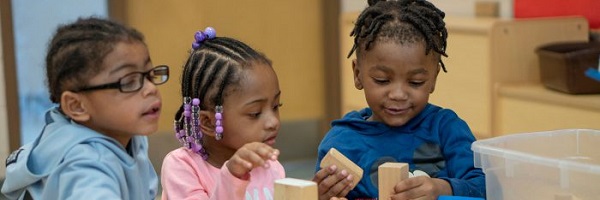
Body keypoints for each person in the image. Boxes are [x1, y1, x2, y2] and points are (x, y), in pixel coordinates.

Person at [315, 0, 486, 199]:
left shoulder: (446, 129)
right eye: (382, 80)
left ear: (433, 79)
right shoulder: (341, 145)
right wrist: (318, 195)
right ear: (357, 74)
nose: (398, 94)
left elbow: (486, 186)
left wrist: (442, 188)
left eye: (415, 82)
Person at [160, 27, 354, 200]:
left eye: (276, 106)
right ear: (209, 122)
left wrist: (310, 196)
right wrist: (233, 175)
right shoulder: (182, 167)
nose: (273, 122)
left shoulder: (270, 166)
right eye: (255, 113)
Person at [1, 17, 166, 199]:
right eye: (128, 82)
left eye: (150, 75)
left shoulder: (131, 136)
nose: (151, 89)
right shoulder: (86, 167)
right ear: (77, 106)